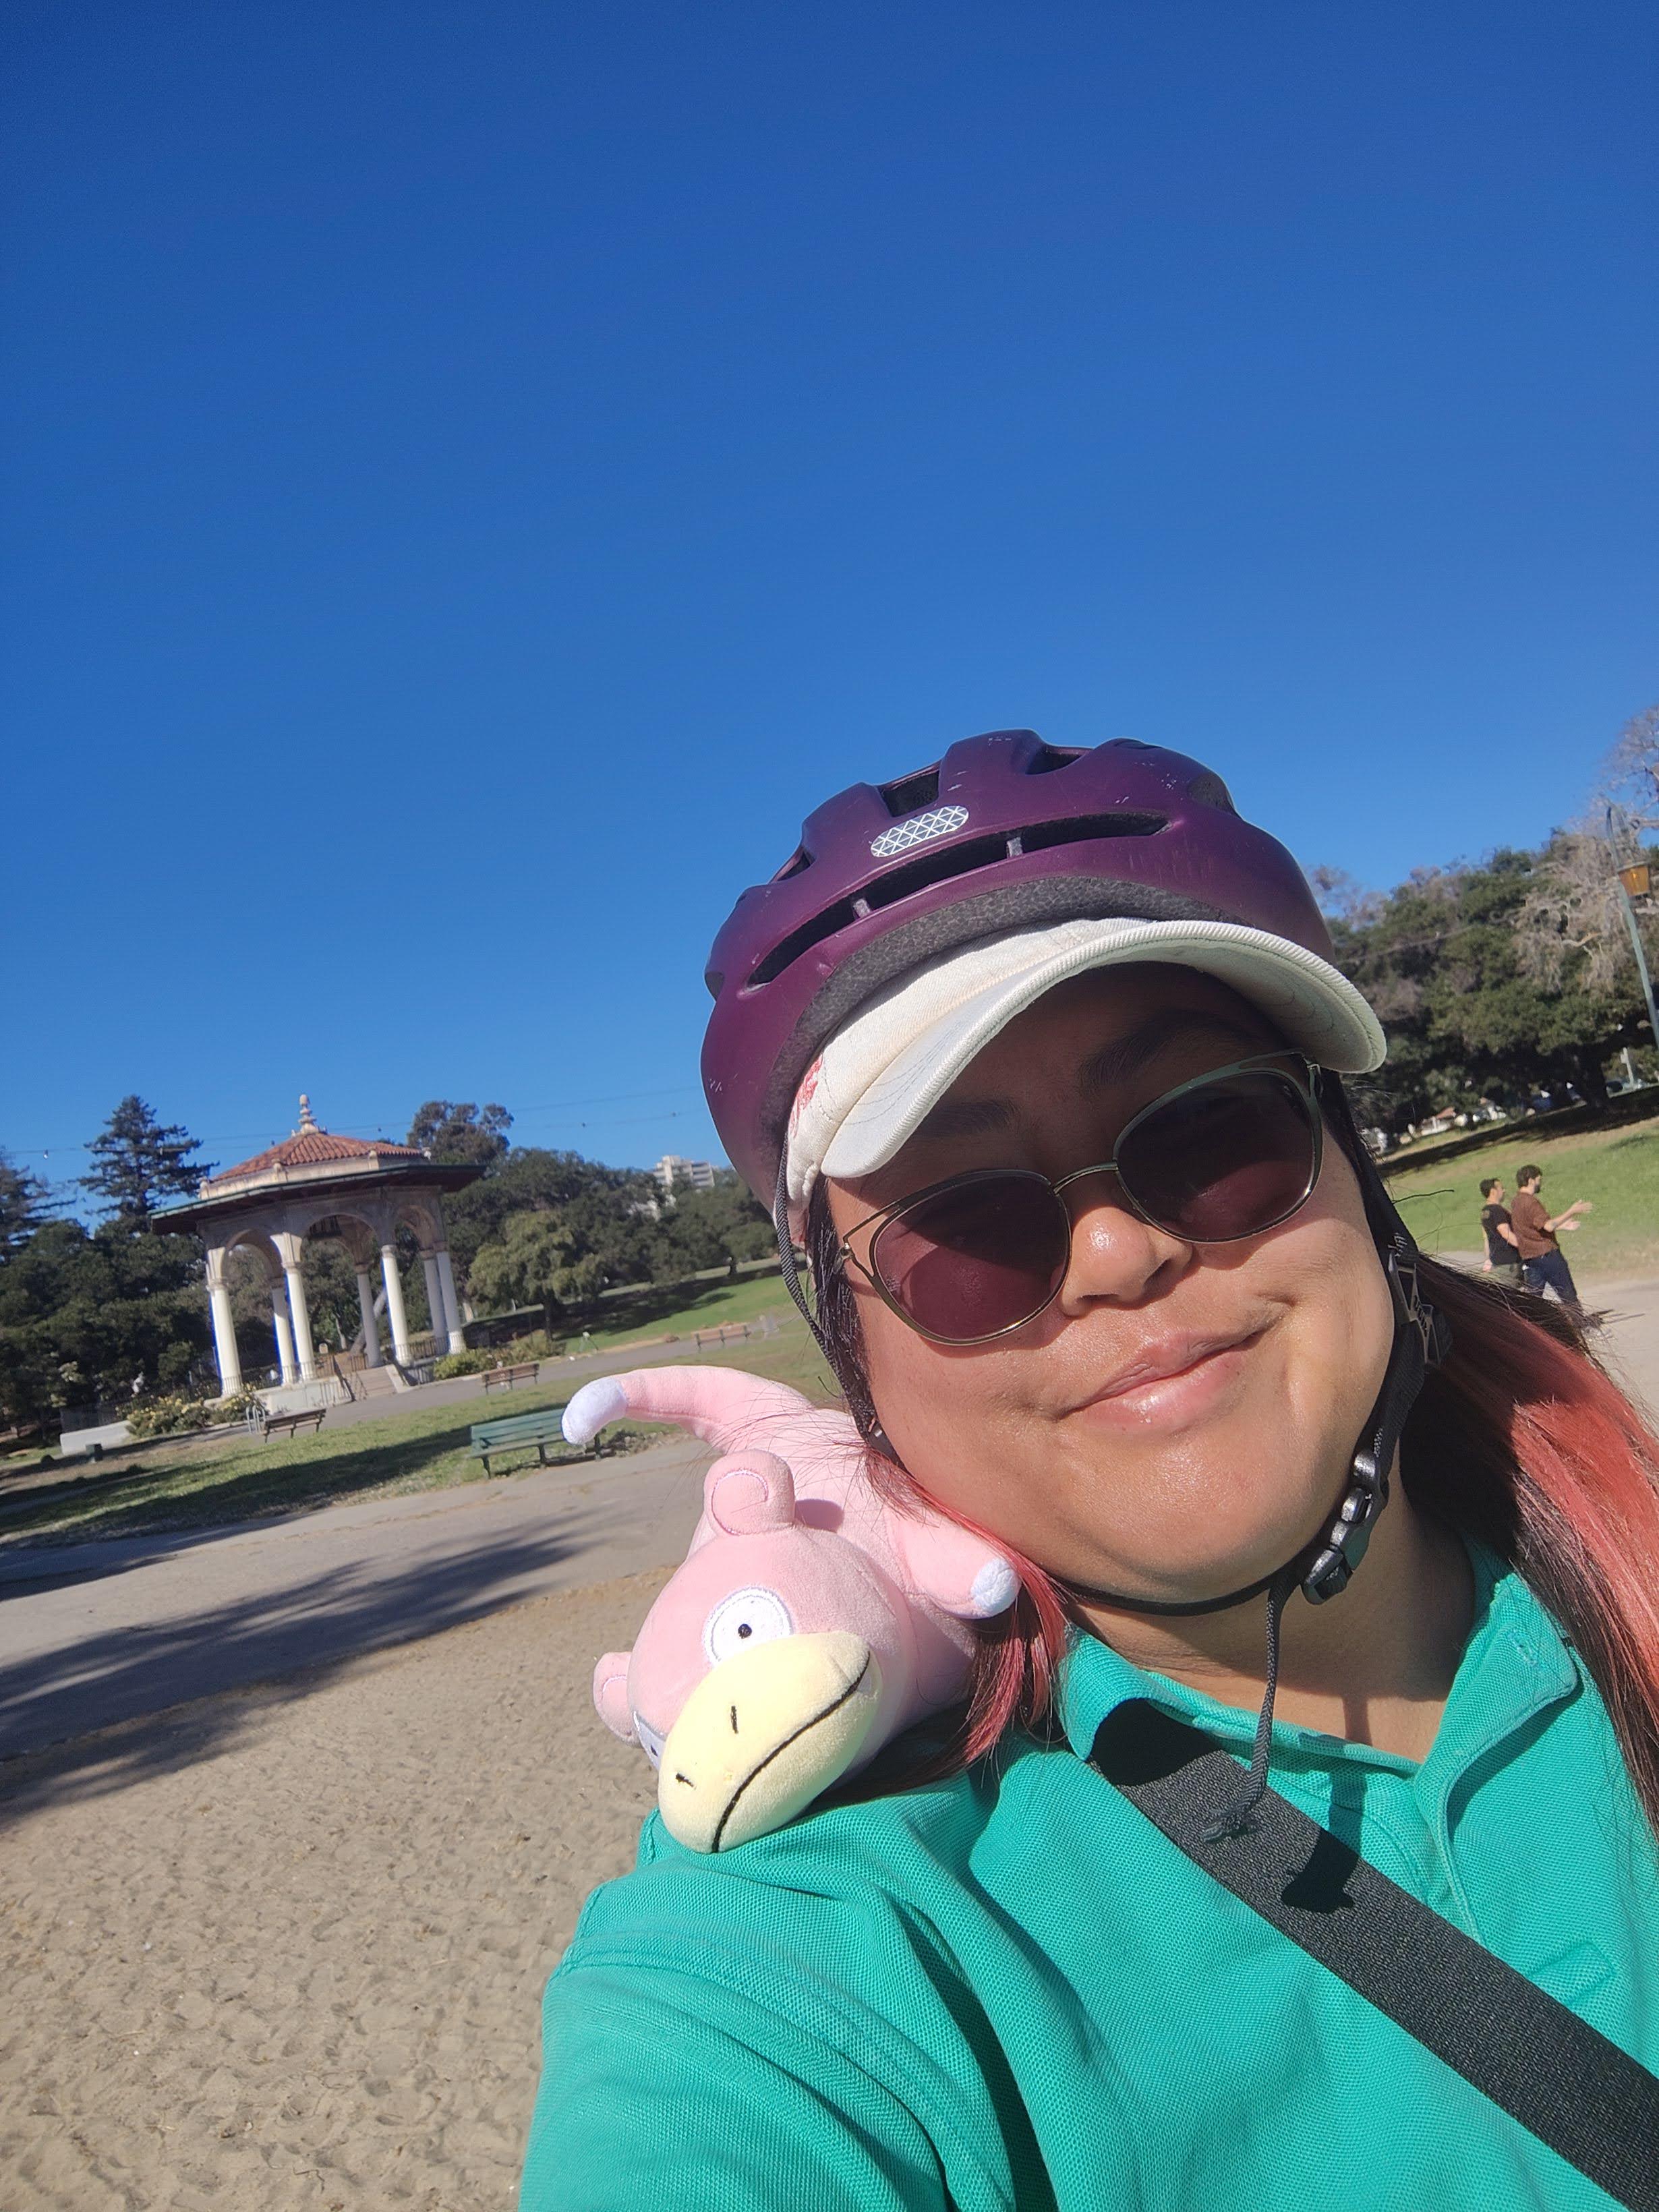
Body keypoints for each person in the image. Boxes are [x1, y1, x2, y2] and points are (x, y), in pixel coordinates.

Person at [521, 734, 1659, 2210]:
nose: (1122, 1251)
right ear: (856, 1355)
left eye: (1213, 1130)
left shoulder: (1621, 1548)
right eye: (968, 1227)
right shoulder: (827, 1958)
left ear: (1353, 1170)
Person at [1511, 1163, 1592, 1306]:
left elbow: (1531, 1229)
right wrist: (1572, 1211)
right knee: (1568, 1294)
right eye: (1539, 1180)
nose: (1539, 1183)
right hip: (1548, 1256)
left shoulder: (1516, 1202)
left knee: (1534, 1301)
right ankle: (1581, 1325)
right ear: (1531, 1181)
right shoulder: (1531, 1202)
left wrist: (1562, 1226)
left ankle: (1533, 1326)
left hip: (1530, 1258)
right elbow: (1548, 1226)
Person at [1478, 1175, 1521, 1278]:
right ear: (1493, 1191)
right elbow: (1505, 1233)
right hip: (1510, 1261)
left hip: (1497, 1260)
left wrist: (1488, 1260)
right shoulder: (1497, 1210)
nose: (1504, 1191)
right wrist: (1525, 1247)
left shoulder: (1485, 1212)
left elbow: (1486, 1239)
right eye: (1501, 1188)